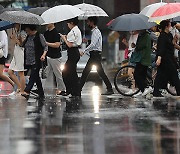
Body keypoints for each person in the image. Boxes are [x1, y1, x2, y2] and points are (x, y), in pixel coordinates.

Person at [79, 16, 114, 95]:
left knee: (86, 72)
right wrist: (88, 40)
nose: (87, 23)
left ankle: (78, 90)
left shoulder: (96, 31)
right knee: (99, 73)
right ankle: (110, 88)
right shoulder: (95, 31)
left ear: (92, 22)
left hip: (95, 55)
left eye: (88, 22)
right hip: (95, 55)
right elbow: (94, 42)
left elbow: (93, 44)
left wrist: (84, 51)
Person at [153, 20, 180, 97]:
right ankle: (178, 91)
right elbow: (161, 48)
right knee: (174, 75)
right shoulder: (162, 36)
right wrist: (159, 58)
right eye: (169, 25)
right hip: (165, 59)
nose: (171, 27)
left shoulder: (169, 35)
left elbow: (171, 45)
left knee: (161, 75)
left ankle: (156, 91)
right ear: (166, 27)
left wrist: (174, 40)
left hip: (169, 58)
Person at [21, 24, 48, 100]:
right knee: (36, 78)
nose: (27, 32)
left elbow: (45, 46)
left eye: (28, 31)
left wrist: (43, 55)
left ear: (32, 29)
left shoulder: (39, 36)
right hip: (28, 60)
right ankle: (41, 94)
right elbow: (23, 45)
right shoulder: (28, 37)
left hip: (37, 59)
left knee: (33, 75)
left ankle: (27, 91)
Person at [60, 17, 82, 98]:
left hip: (73, 53)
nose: (67, 25)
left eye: (68, 23)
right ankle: (73, 91)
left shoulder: (73, 31)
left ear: (72, 23)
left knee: (67, 73)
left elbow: (69, 44)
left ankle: (73, 91)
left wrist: (64, 38)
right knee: (71, 73)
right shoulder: (76, 30)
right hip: (74, 53)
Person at [44, 23, 66, 96]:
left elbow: (57, 45)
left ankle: (62, 89)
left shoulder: (56, 33)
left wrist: (46, 43)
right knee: (45, 73)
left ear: (52, 23)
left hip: (56, 56)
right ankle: (41, 88)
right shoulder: (46, 33)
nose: (47, 24)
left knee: (58, 74)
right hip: (48, 55)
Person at [132, 30, 152, 97]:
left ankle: (146, 87)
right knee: (142, 75)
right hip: (141, 58)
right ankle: (142, 90)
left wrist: (136, 45)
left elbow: (141, 45)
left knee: (136, 74)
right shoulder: (142, 35)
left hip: (143, 58)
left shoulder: (146, 36)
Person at [8, 24, 26, 96]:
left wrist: (16, 39)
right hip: (15, 53)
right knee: (10, 71)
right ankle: (19, 87)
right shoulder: (16, 32)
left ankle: (22, 90)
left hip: (20, 53)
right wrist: (14, 38)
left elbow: (22, 44)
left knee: (21, 73)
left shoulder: (23, 32)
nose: (15, 25)